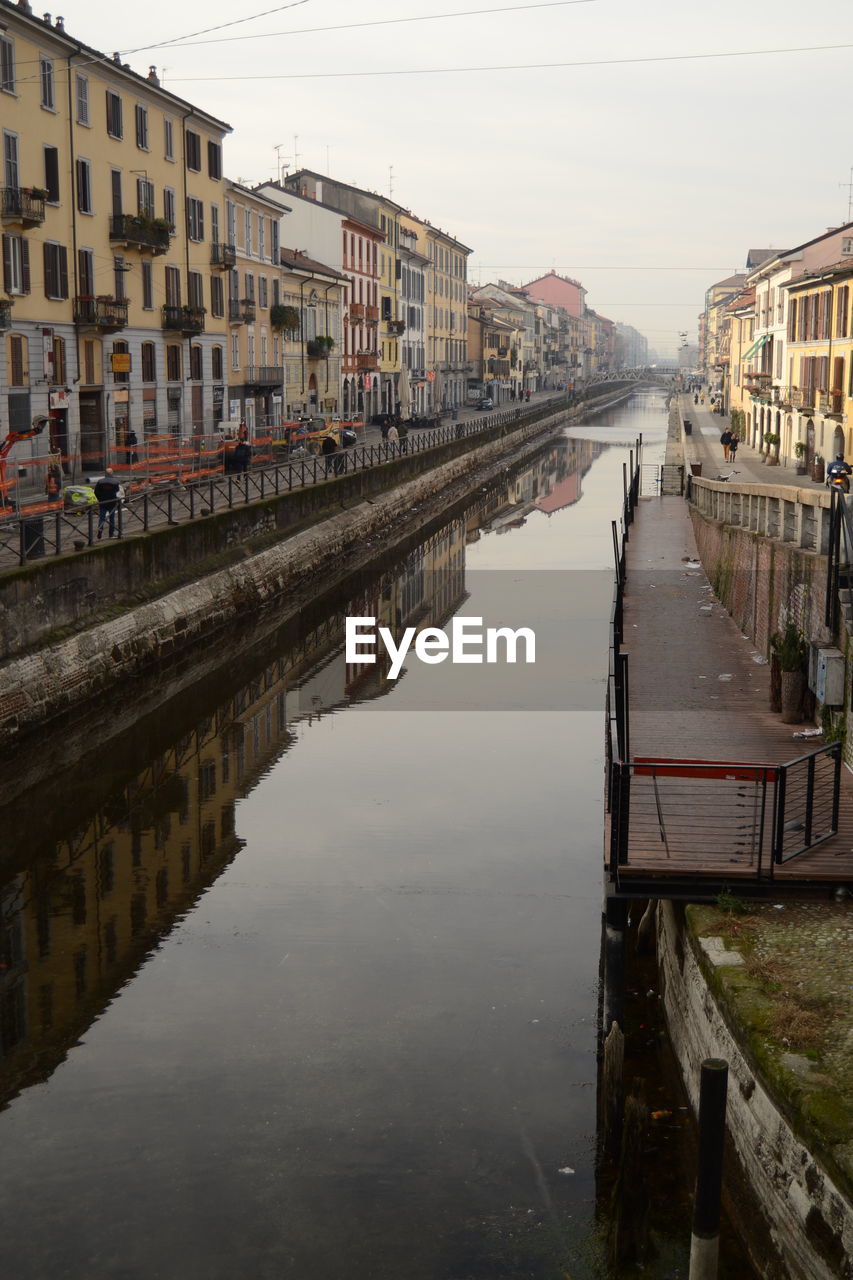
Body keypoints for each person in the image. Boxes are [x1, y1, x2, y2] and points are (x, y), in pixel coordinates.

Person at [94, 468, 121, 539]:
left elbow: (96, 492)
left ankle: (100, 530)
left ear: (105, 474)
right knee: (112, 518)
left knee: (102, 518)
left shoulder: (100, 481)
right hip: (112, 502)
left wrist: (100, 499)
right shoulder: (116, 482)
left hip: (103, 502)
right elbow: (117, 491)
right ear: (112, 473)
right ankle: (111, 534)